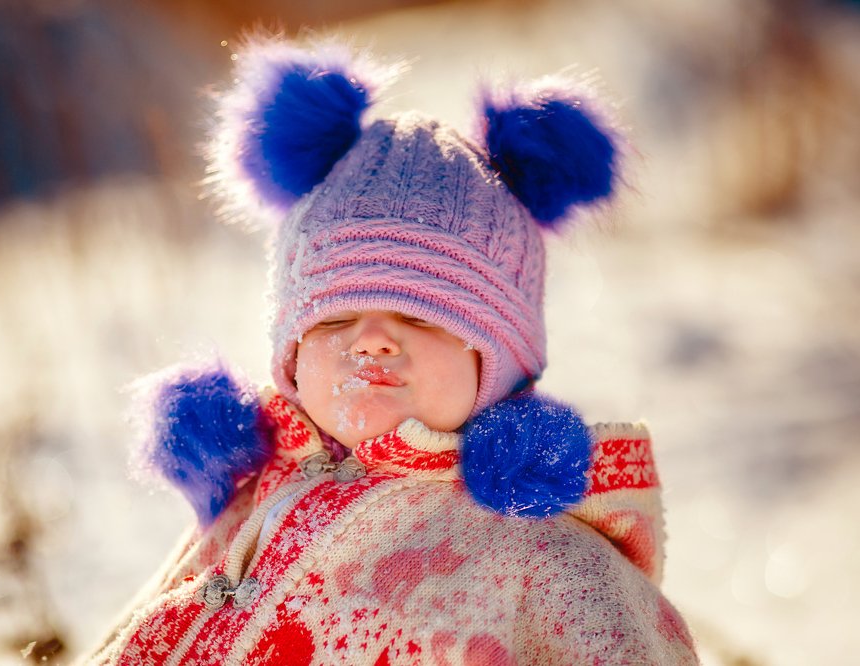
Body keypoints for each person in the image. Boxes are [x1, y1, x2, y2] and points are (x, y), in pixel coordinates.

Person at [81, 36, 698, 665]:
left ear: (501, 361)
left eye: (421, 314)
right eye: (336, 316)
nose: (371, 337)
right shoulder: (256, 493)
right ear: (289, 355)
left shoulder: (549, 566)